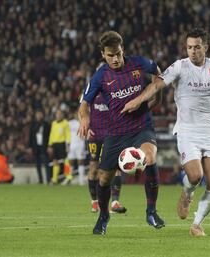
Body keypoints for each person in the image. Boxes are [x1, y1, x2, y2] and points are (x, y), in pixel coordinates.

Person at [121, 28, 210, 236]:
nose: (193, 51)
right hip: (187, 131)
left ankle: (197, 224)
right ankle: (187, 193)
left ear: (205, 48)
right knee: (195, 175)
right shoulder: (179, 67)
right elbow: (157, 85)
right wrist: (137, 101)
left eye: (197, 47)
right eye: (189, 47)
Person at [78, 31, 165, 235]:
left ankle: (151, 212)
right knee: (104, 178)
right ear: (103, 55)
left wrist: (152, 97)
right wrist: (84, 118)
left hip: (141, 127)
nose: (116, 59)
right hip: (116, 132)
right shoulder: (100, 76)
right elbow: (84, 105)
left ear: (122, 49)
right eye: (111, 55)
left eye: (118, 53)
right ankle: (104, 216)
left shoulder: (138, 63)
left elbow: (159, 76)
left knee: (150, 157)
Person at [86, 90, 127, 214]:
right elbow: (83, 108)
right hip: (95, 135)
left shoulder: (115, 90)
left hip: (112, 134)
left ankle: (115, 202)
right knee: (93, 168)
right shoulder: (91, 90)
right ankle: (95, 202)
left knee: (116, 166)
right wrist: (85, 125)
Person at [48, 109, 71, 184]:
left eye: (60, 114)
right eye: (57, 114)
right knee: (55, 161)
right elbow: (51, 134)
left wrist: (68, 143)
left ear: (62, 115)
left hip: (62, 143)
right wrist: (50, 145)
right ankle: (55, 179)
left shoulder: (65, 123)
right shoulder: (54, 123)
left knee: (65, 160)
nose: (58, 115)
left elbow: (68, 134)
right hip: (54, 144)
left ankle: (68, 176)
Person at [29, 109, 51, 184]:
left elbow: (49, 136)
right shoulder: (33, 124)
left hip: (44, 146)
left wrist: (49, 145)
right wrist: (30, 147)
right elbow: (31, 136)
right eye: (37, 114)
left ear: (42, 115)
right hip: (36, 147)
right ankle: (40, 180)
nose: (38, 115)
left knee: (46, 164)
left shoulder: (46, 124)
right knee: (38, 165)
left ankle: (48, 180)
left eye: (40, 114)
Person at [67, 108, 86, 185]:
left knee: (80, 162)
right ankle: (69, 178)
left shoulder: (84, 122)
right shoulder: (69, 123)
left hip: (80, 144)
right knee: (70, 162)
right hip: (71, 145)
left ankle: (81, 180)